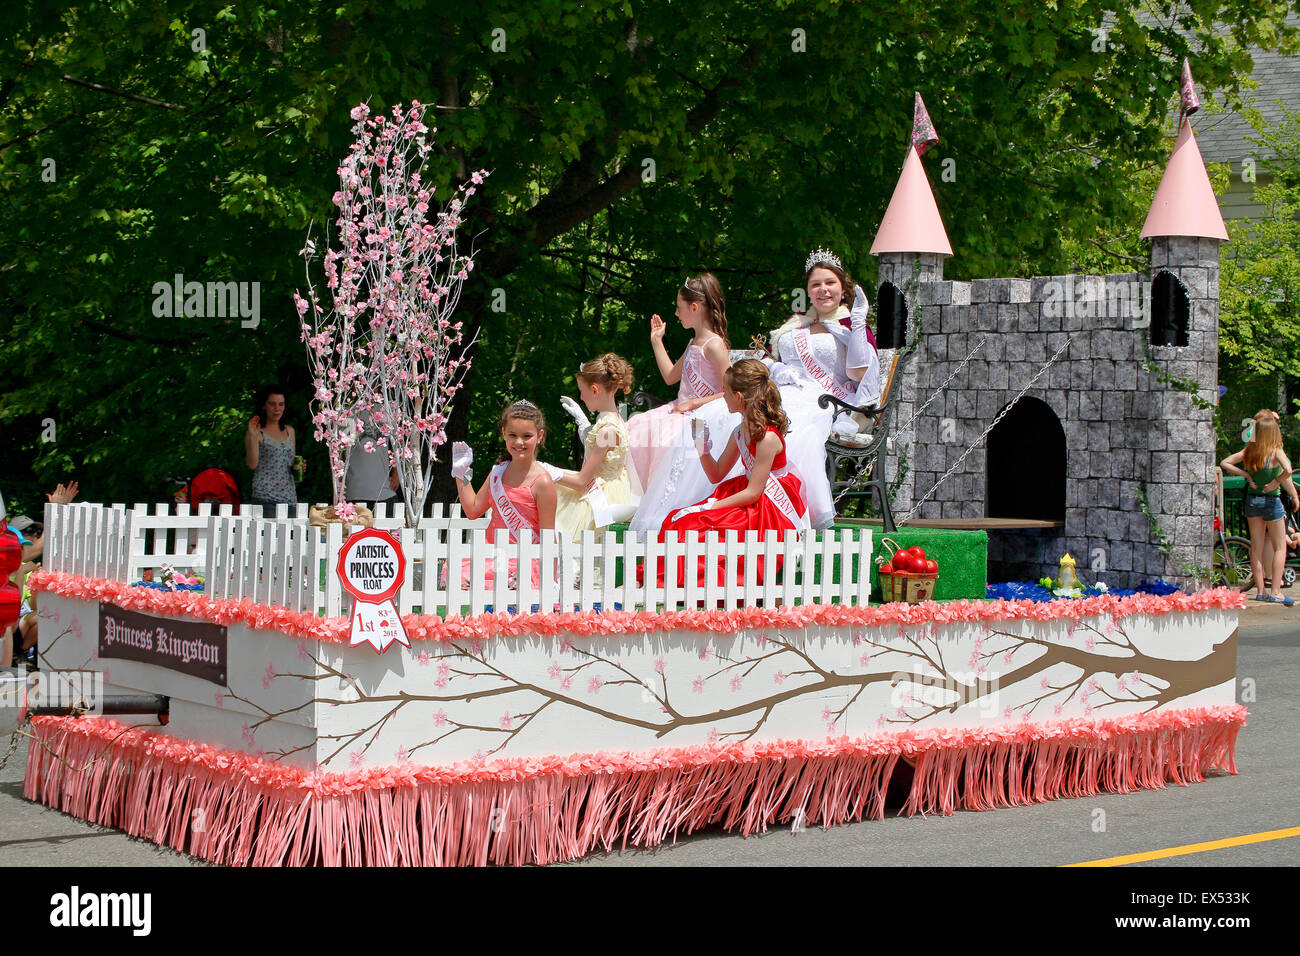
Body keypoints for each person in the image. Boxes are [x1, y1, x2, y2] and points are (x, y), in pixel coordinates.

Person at [655, 360, 808, 587]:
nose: (722, 396)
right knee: (682, 519)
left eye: (725, 392)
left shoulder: (767, 438)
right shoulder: (740, 431)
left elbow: (755, 492)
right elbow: (716, 474)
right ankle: (666, 578)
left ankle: (693, 582)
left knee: (703, 523)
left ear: (738, 397)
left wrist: (713, 507)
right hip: (746, 494)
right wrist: (702, 447)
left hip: (768, 506)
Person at [765, 249, 879, 528]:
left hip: (827, 401)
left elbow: (859, 374)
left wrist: (858, 324)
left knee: (795, 431)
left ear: (843, 287)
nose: (823, 289)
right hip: (785, 392)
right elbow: (768, 356)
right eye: (815, 284)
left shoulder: (849, 325)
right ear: (807, 290)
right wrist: (776, 368)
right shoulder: (795, 322)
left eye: (830, 282)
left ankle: (786, 511)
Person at [627, 274, 742, 532]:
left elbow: (732, 391)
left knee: (667, 439)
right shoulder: (693, 342)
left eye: (679, 308)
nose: (676, 314)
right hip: (679, 409)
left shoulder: (714, 345)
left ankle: (668, 514)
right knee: (637, 428)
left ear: (694, 307)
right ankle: (645, 506)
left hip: (701, 416)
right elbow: (670, 376)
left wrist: (695, 403)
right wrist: (656, 341)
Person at [452, 400, 557, 589]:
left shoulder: (543, 482)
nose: (519, 442)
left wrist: (552, 581)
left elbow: (548, 536)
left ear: (539, 436)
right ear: (503, 434)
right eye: (512, 435)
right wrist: (461, 474)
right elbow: (473, 510)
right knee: (458, 573)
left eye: (527, 436)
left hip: (523, 561)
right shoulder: (497, 472)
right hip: (490, 556)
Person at [553, 354, 636, 537]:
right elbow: (601, 453)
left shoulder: (607, 430)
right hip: (611, 486)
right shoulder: (614, 420)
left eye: (582, 390)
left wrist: (548, 471)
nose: (581, 396)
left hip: (603, 494)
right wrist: (583, 422)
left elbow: (582, 480)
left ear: (595, 390)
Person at [1220, 414, 1298, 606]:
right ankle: (1276, 592)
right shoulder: (1275, 451)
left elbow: (1225, 462)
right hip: (1272, 501)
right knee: (1280, 546)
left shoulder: (1250, 450)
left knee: (1256, 547)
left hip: (1252, 501)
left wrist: (1246, 474)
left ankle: (1261, 591)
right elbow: (1288, 469)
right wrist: (1277, 482)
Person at [246, 387, 297, 510]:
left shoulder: (289, 431)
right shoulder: (257, 432)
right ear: (264, 406)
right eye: (272, 404)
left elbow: (291, 463)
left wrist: (298, 467)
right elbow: (252, 464)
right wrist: (253, 436)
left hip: (290, 499)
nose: (277, 408)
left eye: (281, 404)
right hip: (265, 498)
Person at [344, 409, 399, 514]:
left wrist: (397, 471)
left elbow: (401, 442)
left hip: (384, 492)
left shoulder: (388, 406)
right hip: (353, 492)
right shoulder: (346, 407)